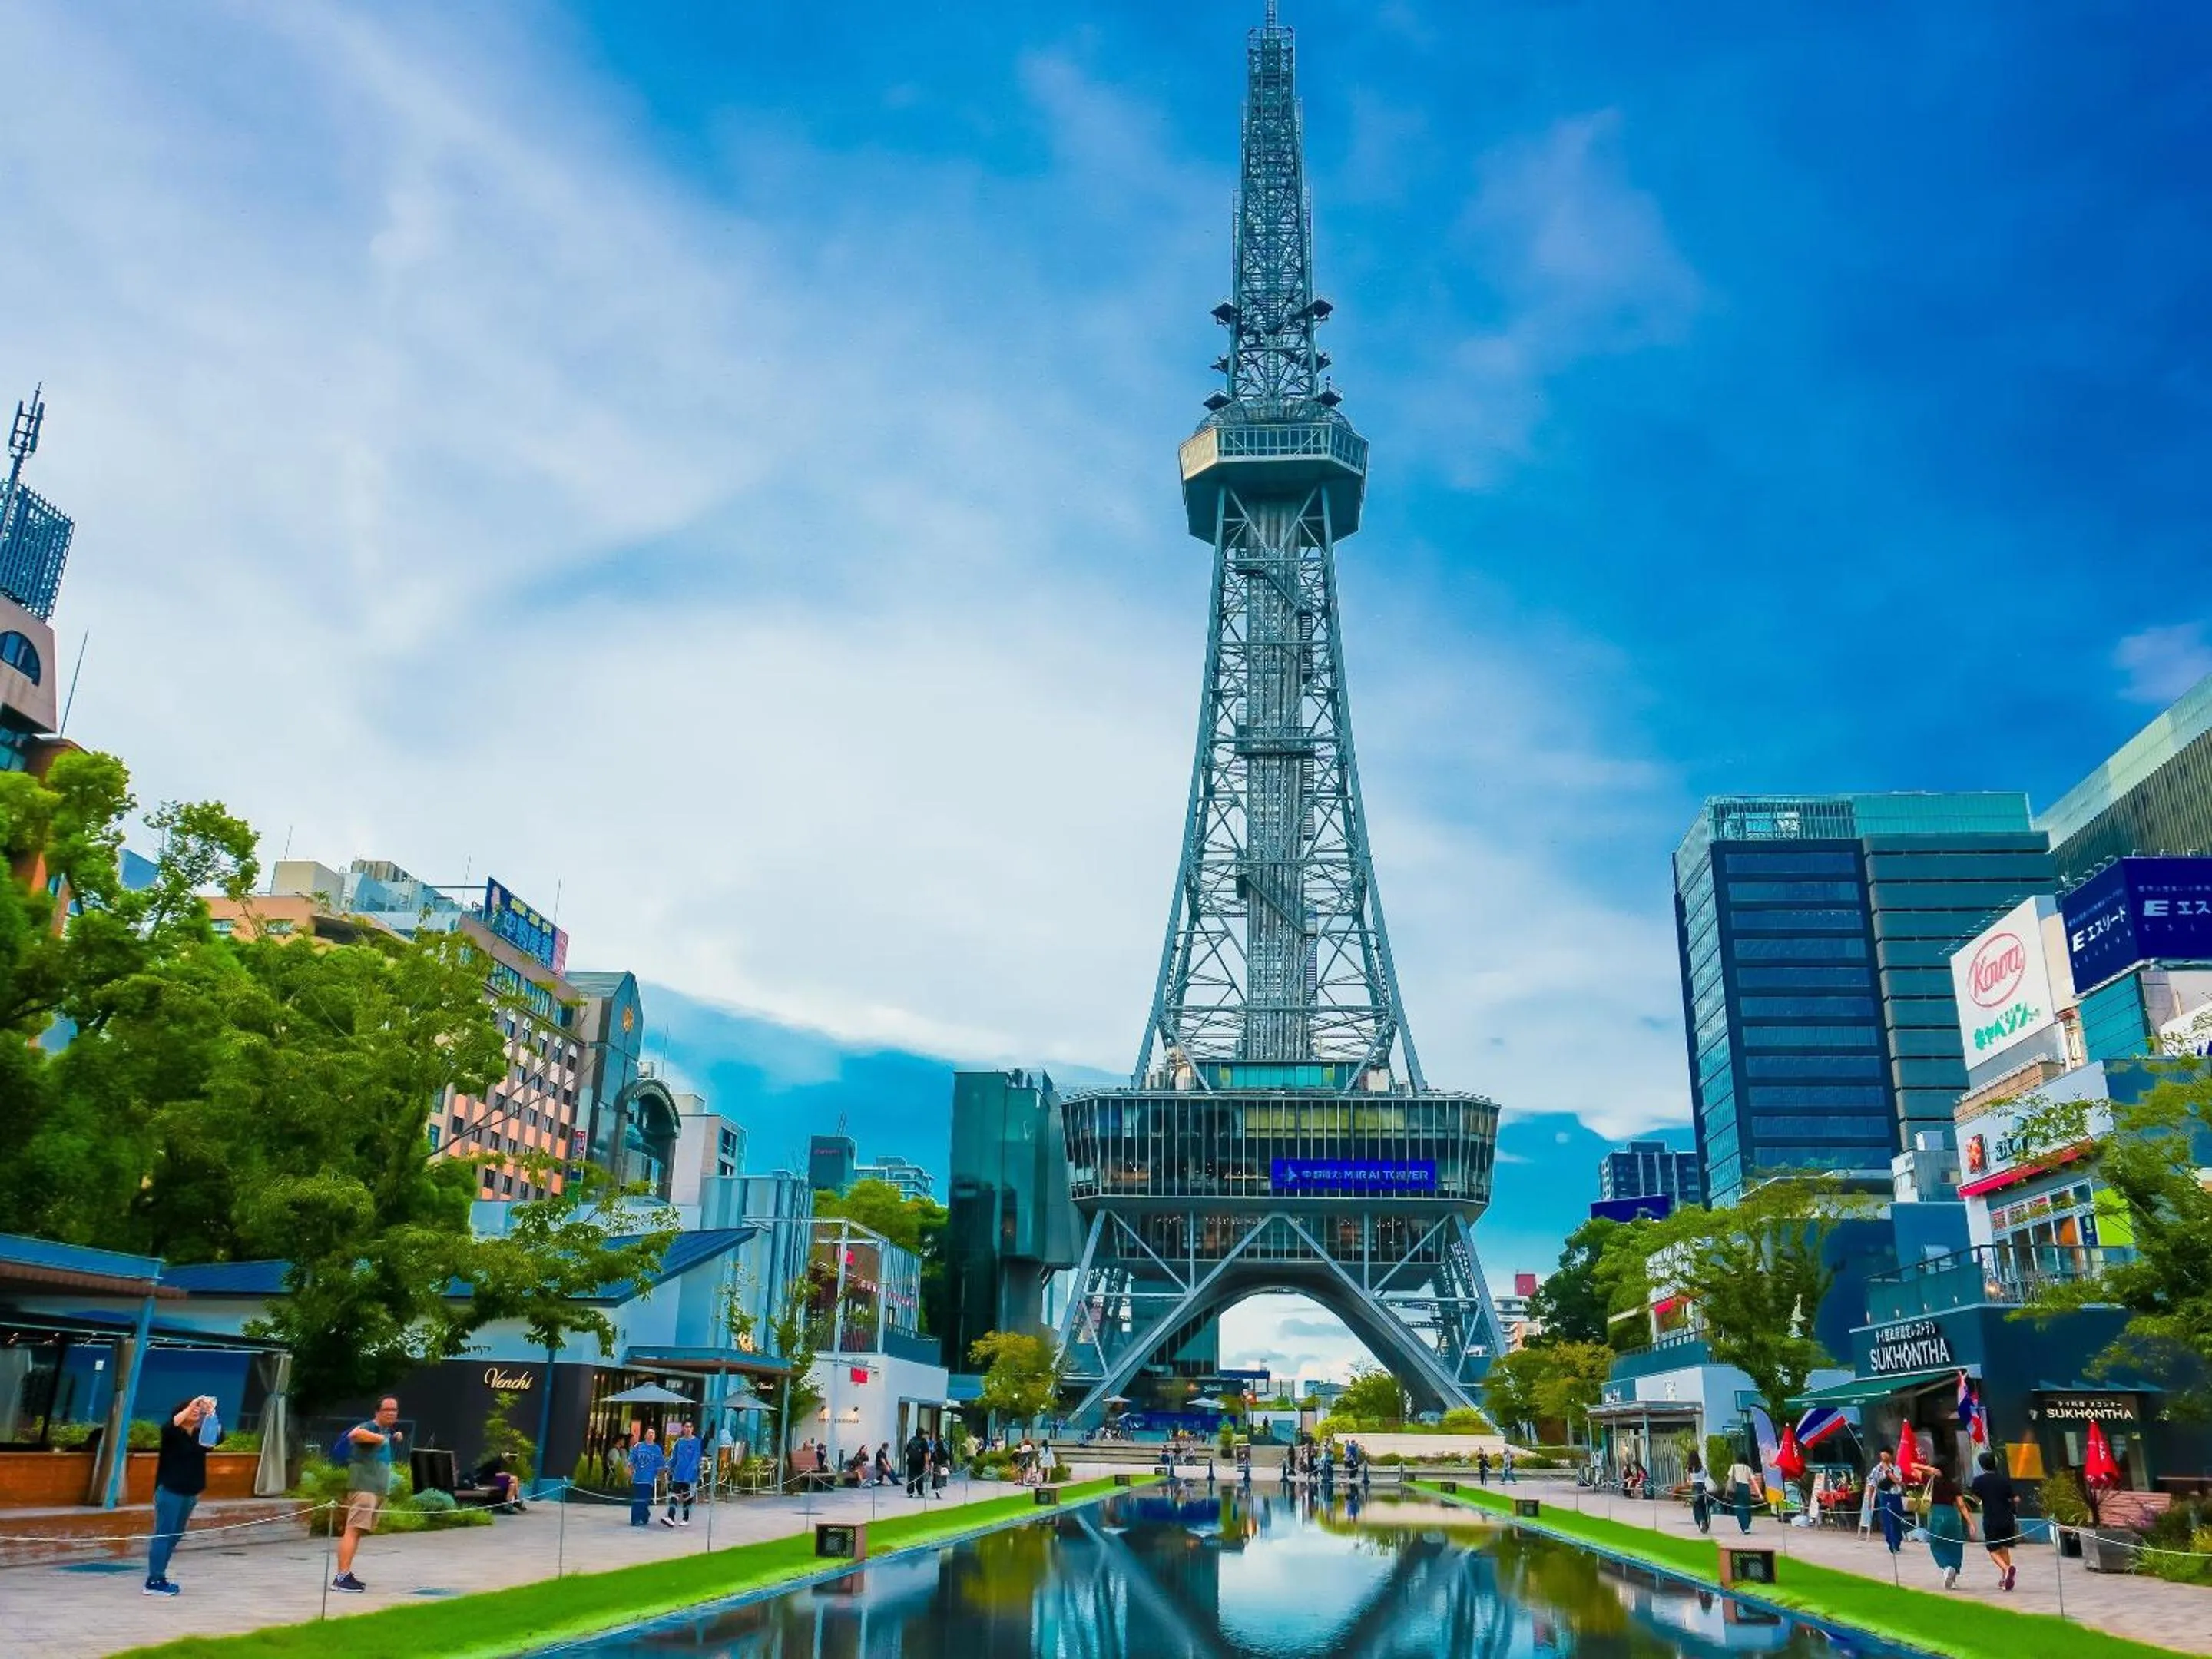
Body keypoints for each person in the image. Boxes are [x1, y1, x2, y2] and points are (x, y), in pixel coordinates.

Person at [144, 1395, 223, 1597]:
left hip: (190, 1492)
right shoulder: (172, 1433)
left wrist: (211, 1413)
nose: (196, 1411)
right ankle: (153, 1580)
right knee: (164, 1534)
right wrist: (192, 1405)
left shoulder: (199, 1435)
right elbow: (170, 1425)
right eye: (192, 1409)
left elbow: (217, 1437)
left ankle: (159, 1575)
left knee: (175, 1535)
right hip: (170, 1490)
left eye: (198, 1410)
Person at [333, 1396, 403, 1594]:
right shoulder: (370, 1427)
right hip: (364, 1488)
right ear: (377, 1411)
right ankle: (340, 1578)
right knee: (352, 1530)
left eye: (395, 1410)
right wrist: (379, 1439)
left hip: (376, 1490)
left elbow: (386, 1440)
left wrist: (392, 1437)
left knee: (357, 1532)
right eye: (387, 1409)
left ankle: (346, 1574)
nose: (392, 1413)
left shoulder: (386, 1431)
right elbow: (355, 1434)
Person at [1969, 1451, 2020, 1591]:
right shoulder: (2004, 1480)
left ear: (1981, 1465)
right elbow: (2016, 1499)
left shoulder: (1978, 1481)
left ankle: (2007, 1569)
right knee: (2004, 1548)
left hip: (1991, 1518)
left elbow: (1976, 1499)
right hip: (2007, 1518)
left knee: (1992, 1550)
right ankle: (2005, 1579)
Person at [1926, 1471, 1971, 1588]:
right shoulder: (1953, 1485)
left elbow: (1913, 1467)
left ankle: (1946, 1567)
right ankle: (1953, 1576)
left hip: (1937, 1514)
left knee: (1937, 1544)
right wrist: (1970, 1522)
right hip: (1952, 1515)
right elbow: (1961, 1505)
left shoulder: (1933, 1482)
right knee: (1955, 1545)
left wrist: (1930, 1470)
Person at [663, 1421, 702, 1528]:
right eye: (686, 1426)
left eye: (690, 1427)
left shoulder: (697, 1442)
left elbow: (696, 1459)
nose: (688, 1429)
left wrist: (690, 1474)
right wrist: (668, 1466)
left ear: (693, 1429)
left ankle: (686, 1518)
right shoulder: (679, 1442)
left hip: (690, 1476)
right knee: (674, 1495)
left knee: (687, 1497)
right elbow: (674, 1457)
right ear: (683, 1428)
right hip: (678, 1474)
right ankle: (671, 1517)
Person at [1869, 1448, 1907, 1555]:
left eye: (1886, 1454)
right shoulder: (1876, 1469)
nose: (1884, 1457)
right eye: (1882, 1454)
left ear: (1891, 1456)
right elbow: (1872, 1484)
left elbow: (1898, 1481)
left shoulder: (1896, 1468)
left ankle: (1897, 1542)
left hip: (1896, 1497)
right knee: (1888, 1521)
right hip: (1885, 1496)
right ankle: (1892, 1544)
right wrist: (1870, 1500)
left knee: (1897, 1521)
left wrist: (1888, 1471)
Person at [628, 1426, 665, 1527]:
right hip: (638, 1478)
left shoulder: (657, 1449)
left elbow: (660, 1465)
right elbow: (631, 1460)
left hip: (649, 1479)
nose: (651, 1435)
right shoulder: (638, 1446)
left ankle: (645, 1516)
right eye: (649, 1433)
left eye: (653, 1433)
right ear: (645, 1435)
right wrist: (630, 1471)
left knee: (644, 1499)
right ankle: (635, 1519)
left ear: (655, 1436)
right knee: (637, 1499)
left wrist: (662, 1479)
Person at [1724, 1453, 1761, 1534]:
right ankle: (1747, 1523)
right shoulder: (1748, 1468)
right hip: (1746, 1488)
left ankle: (1745, 1526)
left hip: (1736, 1488)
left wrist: (1727, 1489)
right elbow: (1754, 1482)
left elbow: (1730, 1478)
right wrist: (1759, 1493)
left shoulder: (1733, 1467)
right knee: (1747, 1506)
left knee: (1739, 1507)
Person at [905, 1428, 930, 1498]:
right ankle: (920, 1491)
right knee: (920, 1477)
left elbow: (907, 1451)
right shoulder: (923, 1441)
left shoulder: (911, 1440)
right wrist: (926, 1464)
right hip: (920, 1462)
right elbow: (926, 1453)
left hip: (911, 1462)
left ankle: (910, 1492)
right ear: (922, 1434)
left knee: (911, 1477)